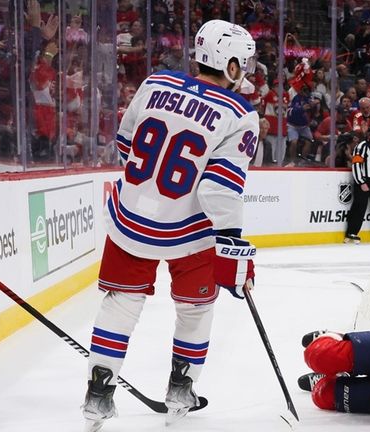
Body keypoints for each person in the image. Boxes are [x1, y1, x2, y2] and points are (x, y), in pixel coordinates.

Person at [81, 19, 259, 431]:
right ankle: (181, 391)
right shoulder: (239, 114)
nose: (246, 71)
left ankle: (98, 396)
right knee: (195, 309)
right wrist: (231, 242)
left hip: (130, 218)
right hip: (190, 233)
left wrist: (149, 195)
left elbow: (126, 143)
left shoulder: (155, 84)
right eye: (243, 63)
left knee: (120, 305)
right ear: (229, 63)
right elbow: (218, 191)